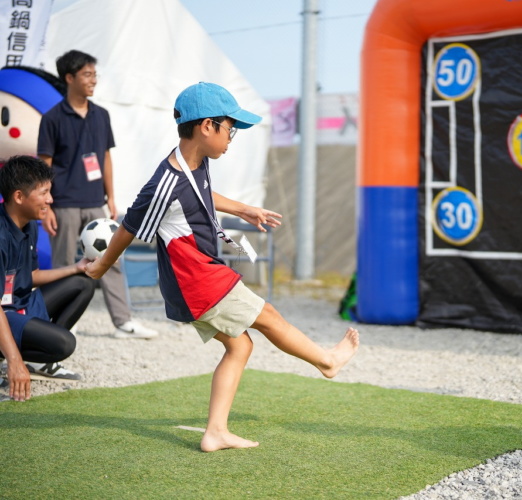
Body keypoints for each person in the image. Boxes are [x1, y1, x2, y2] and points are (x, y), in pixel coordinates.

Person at [85, 82, 359, 451]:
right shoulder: (165, 181)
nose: (233, 137)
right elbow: (129, 226)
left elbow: (199, 195)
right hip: (199, 280)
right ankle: (327, 362)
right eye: (230, 128)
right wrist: (102, 266)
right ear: (207, 126)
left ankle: (215, 431)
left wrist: (242, 208)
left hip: (196, 280)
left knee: (240, 347)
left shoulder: (196, 162)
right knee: (270, 316)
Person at [37, 50, 157, 340]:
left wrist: (111, 197)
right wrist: (46, 206)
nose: (93, 80)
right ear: (69, 78)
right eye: (87, 75)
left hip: (96, 202)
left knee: (111, 259)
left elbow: (105, 158)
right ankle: (65, 320)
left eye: (94, 74)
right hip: (63, 203)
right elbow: (45, 164)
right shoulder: (52, 118)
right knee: (65, 263)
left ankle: (123, 322)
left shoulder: (102, 115)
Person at [0, 155, 97, 402]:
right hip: (4, 314)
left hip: (19, 308)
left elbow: (32, 276)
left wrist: (76, 267)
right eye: (43, 193)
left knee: (83, 283)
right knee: (64, 344)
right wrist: (13, 361)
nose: (50, 200)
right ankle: (13, 359)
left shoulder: (28, 223)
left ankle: (38, 362)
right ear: (19, 196)